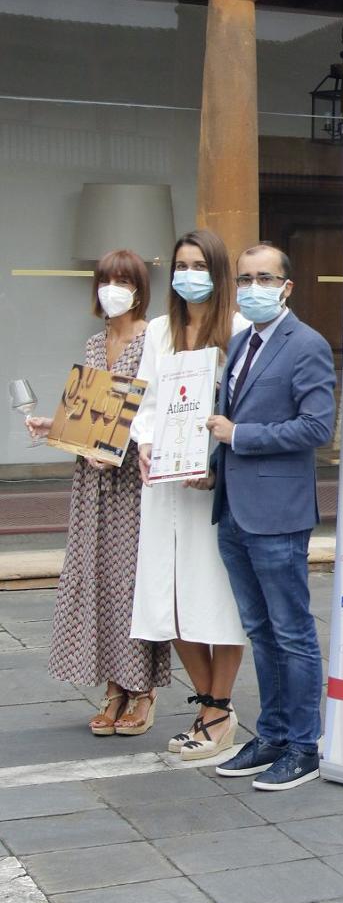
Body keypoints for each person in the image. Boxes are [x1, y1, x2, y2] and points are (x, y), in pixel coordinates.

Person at [207, 243, 337, 791]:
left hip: (278, 512)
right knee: (260, 630)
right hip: (234, 507)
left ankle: (304, 745)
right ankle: (273, 733)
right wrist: (212, 463)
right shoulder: (239, 342)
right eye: (244, 278)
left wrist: (241, 437)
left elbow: (316, 427)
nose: (252, 287)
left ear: (287, 286)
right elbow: (224, 419)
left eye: (265, 278)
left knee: (292, 631)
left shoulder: (305, 345)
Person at [130, 229, 249, 762]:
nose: (188, 274)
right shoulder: (159, 330)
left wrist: (216, 463)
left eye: (199, 264)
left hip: (213, 487)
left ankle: (218, 709)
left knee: (216, 597)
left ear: (218, 272)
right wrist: (145, 442)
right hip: (163, 486)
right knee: (168, 598)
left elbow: (246, 409)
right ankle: (208, 702)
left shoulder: (241, 330)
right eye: (181, 264)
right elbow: (144, 401)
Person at [40, 250, 168, 735]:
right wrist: (55, 426)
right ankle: (112, 688)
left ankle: (142, 690)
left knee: (131, 583)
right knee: (96, 580)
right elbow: (88, 408)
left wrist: (119, 443)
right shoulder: (95, 341)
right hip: (93, 481)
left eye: (122, 280)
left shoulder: (153, 335)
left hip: (133, 479)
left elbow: (152, 406)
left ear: (139, 287)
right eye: (105, 280)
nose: (112, 288)